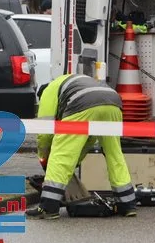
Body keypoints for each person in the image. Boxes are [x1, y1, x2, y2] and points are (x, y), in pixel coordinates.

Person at [26, 74, 137, 220]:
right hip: (113, 103)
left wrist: (44, 157)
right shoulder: (70, 82)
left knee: (61, 154)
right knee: (114, 154)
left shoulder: (48, 92)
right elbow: (88, 140)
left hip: (82, 104)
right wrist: (75, 161)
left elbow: (44, 134)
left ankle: (48, 208)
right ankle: (127, 204)